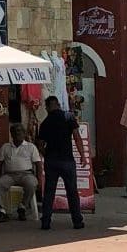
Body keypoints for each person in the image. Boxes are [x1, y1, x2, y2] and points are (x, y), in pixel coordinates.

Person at [35, 95, 85, 231]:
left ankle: (46, 221)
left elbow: (39, 144)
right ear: (57, 104)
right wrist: (83, 155)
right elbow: (77, 137)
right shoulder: (68, 117)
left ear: (48, 107)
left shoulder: (45, 122)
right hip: (67, 160)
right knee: (72, 192)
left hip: (51, 161)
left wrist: (46, 155)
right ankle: (77, 221)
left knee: (49, 192)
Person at [0, 123, 43, 223]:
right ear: (11, 134)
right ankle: (2, 211)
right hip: (10, 175)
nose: (17, 134)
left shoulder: (31, 147)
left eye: (19, 131)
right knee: (0, 183)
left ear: (24, 133)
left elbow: (38, 164)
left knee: (32, 183)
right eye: (15, 132)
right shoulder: (5, 147)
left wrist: (40, 180)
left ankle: (22, 207)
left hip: (26, 174)